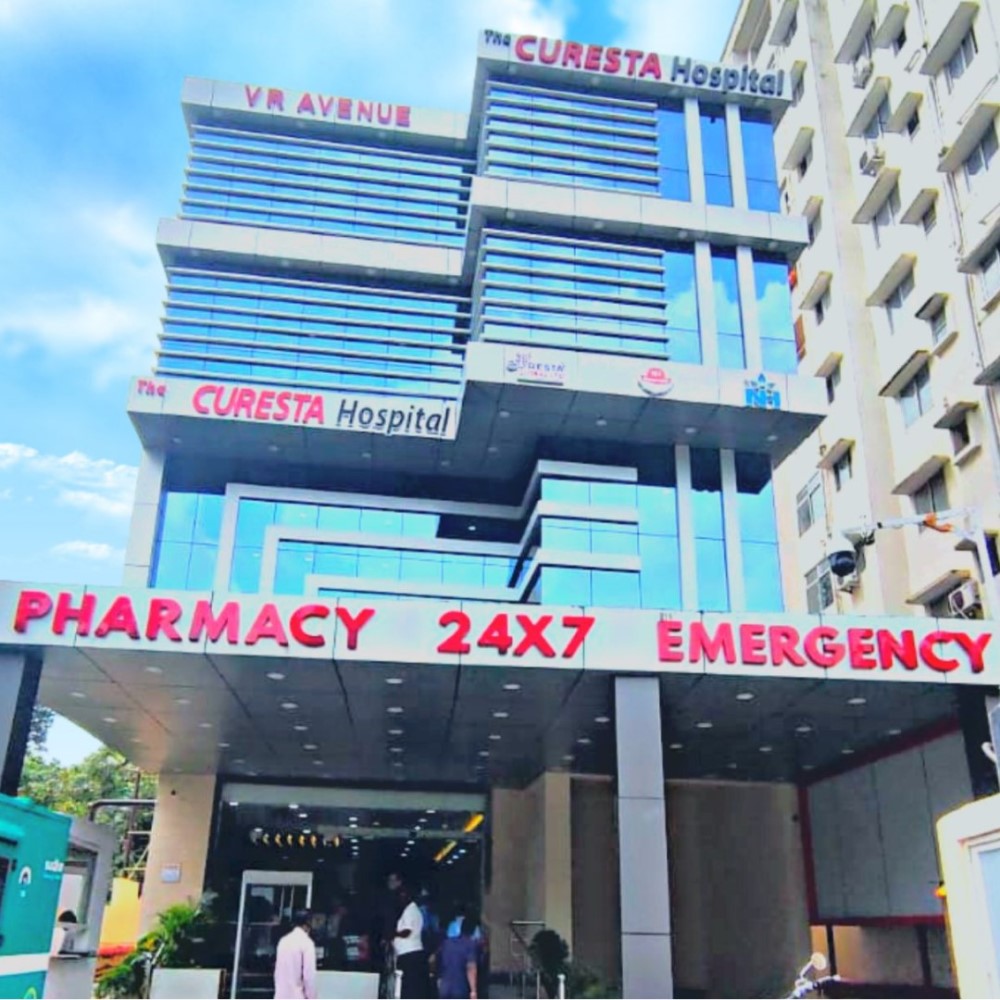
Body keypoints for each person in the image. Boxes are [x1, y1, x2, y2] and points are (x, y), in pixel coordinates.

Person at [393, 883, 428, 999]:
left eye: (402, 895)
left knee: (409, 987)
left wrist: (393, 934)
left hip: (409, 954)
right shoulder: (411, 910)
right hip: (409, 954)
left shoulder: (410, 911)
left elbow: (407, 932)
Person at [273, 909, 317, 1000]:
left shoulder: (283, 941)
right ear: (308, 923)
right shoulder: (307, 943)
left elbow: (277, 972)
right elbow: (309, 977)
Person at [436, 916, 479, 999]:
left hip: (444, 986)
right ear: (473, 930)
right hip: (460, 987)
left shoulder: (447, 943)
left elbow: (437, 961)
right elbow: (471, 968)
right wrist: (473, 991)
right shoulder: (470, 945)